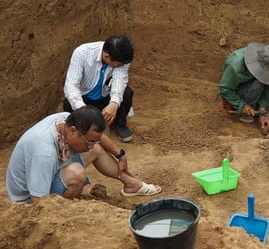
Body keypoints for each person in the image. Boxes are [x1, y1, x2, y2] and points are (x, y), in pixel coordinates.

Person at [5, 106, 161, 204]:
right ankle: (66, 210)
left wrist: (119, 154)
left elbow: (97, 139)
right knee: (76, 173)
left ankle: (132, 184)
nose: (91, 145)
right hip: (28, 200)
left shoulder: (66, 120)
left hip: (49, 173)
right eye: (88, 141)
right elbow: (38, 201)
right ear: (73, 131)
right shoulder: (44, 152)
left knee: (95, 149)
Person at [63, 34, 136, 143]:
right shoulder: (82, 53)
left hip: (105, 96)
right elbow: (71, 85)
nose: (120, 66)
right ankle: (86, 126)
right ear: (106, 56)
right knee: (69, 103)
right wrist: (84, 111)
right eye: (118, 64)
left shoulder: (122, 58)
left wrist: (114, 104)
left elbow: (120, 80)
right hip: (85, 99)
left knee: (126, 93)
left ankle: (120, 125)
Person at [219, 42, 269, 134]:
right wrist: (241, 105)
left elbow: (268, 83)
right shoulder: (235, 66)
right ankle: (244, 111)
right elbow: (225, 89)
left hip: (256, 89)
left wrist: (262, 110)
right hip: (239, 92)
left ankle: (257, 110)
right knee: (257, 83)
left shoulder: (268, 60)